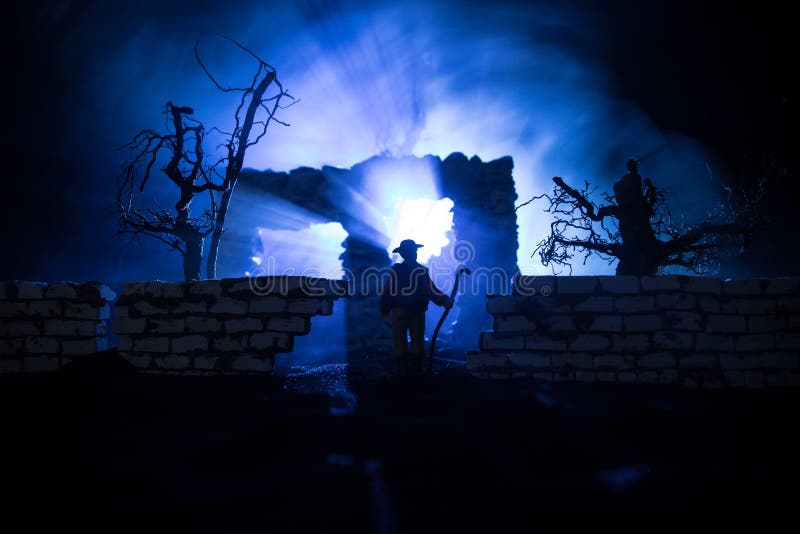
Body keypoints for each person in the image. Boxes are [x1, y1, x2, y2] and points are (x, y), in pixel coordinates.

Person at [380, 239, 452, 374]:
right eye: (414, 251)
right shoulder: (420, 271)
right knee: (415, 340)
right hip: (415, 311)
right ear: (412, 253)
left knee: (401, 340)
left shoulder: (397, 271)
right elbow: (430, 290)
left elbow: (387, 291)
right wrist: (444, 300)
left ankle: (406, 371)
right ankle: (414, 371)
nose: (415, 253)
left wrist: (384, 311)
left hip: (402, 311)